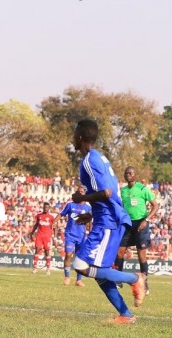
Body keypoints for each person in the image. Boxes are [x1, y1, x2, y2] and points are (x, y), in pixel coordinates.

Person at [70, 119, 146, 324]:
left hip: (108, 222)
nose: (72, 138)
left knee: (79, 264)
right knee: (100, 273)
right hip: (108, 218)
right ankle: (126, 314)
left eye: (74, 134)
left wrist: (81, 199)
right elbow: (108, 193)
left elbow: (106, 192)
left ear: (80, 137)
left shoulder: (88, 161)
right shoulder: (99, 158)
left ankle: (135, 279)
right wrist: (92, 214)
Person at [115, 166, 159, 294]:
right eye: (126, 172)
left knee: (141, 256)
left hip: (141, 224)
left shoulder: (142, 189)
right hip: (127, 224)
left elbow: (155, 206)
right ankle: (118, 281)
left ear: (135, 175)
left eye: (131, 173)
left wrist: (146, 220)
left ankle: (144, 284)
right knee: (119, 252)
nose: (128, 174)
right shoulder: (123, 190)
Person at [53, 185, 92, 286]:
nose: (79, 193)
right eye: (78, 191)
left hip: (81, 236)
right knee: (68, 254)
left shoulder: (88, 208)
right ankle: (67, 277)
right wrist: (54, 222)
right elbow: (61, 214)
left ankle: (79, 280)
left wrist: (91, 232)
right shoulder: (70, 205)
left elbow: (90, 222)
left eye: (81, 192)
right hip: (70, 234)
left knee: (80, 258)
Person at [28, 202, 55, 275]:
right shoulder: (39, 216)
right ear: (43, 208)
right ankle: (35, 267)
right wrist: (32, 232)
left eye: (47, 207)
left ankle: (48, 269)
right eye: (44, 207)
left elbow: (54, 227)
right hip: (39, 235)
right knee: (37, 249)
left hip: (47, 236)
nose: (46, 209)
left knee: (47, 251)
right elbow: (36, 224)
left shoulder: (51, 217)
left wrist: (54, 236)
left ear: (49, 208)